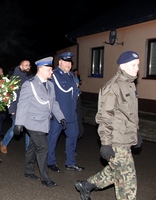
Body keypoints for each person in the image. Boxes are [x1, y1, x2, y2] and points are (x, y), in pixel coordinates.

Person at [75, 51, 143, 200]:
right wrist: (105, 143)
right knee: (127, 182)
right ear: (123, 66)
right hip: (116, 140)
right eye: (134, 65)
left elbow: (130, 113)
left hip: (126, 137)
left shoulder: (129, 84)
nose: (137, 68)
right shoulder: (113, 87)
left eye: (138, 65)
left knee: (115, 172)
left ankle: (86, 185)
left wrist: (136, 132)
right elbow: (104, 117)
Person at [14, 56, 66, 187]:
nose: (52, 72)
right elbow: (22, 104)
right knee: (43, 147)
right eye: (49, 69)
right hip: (32, 122)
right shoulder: (29, 84)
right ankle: (45, 178)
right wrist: (18, 123)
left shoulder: (50, 85)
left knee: (33, 146)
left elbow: (53, 103)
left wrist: (61, 117)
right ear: (41, 69)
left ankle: (28, 171)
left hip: (43, 122)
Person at [47, 52, 84, 173]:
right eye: (66, 62)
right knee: (52, 138)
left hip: (71, 114)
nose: (68, 64)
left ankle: (70, 162)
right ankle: (50, 162)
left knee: (73, 135)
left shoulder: (71, 76)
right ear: (60, 62)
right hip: (58, 115)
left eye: (70, 62)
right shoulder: (54, 75)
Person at [0, 60, 33, 154]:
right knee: (15, 128)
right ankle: (4, 143)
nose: (27, 67)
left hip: (29, 108)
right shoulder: (14, 78)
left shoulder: (32, 78)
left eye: (29, 65)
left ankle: (28, 150)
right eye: (25, 65)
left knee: (29, 130)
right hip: (18, 108)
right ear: (20, 66)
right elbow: (10, 95)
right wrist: (12, 109)